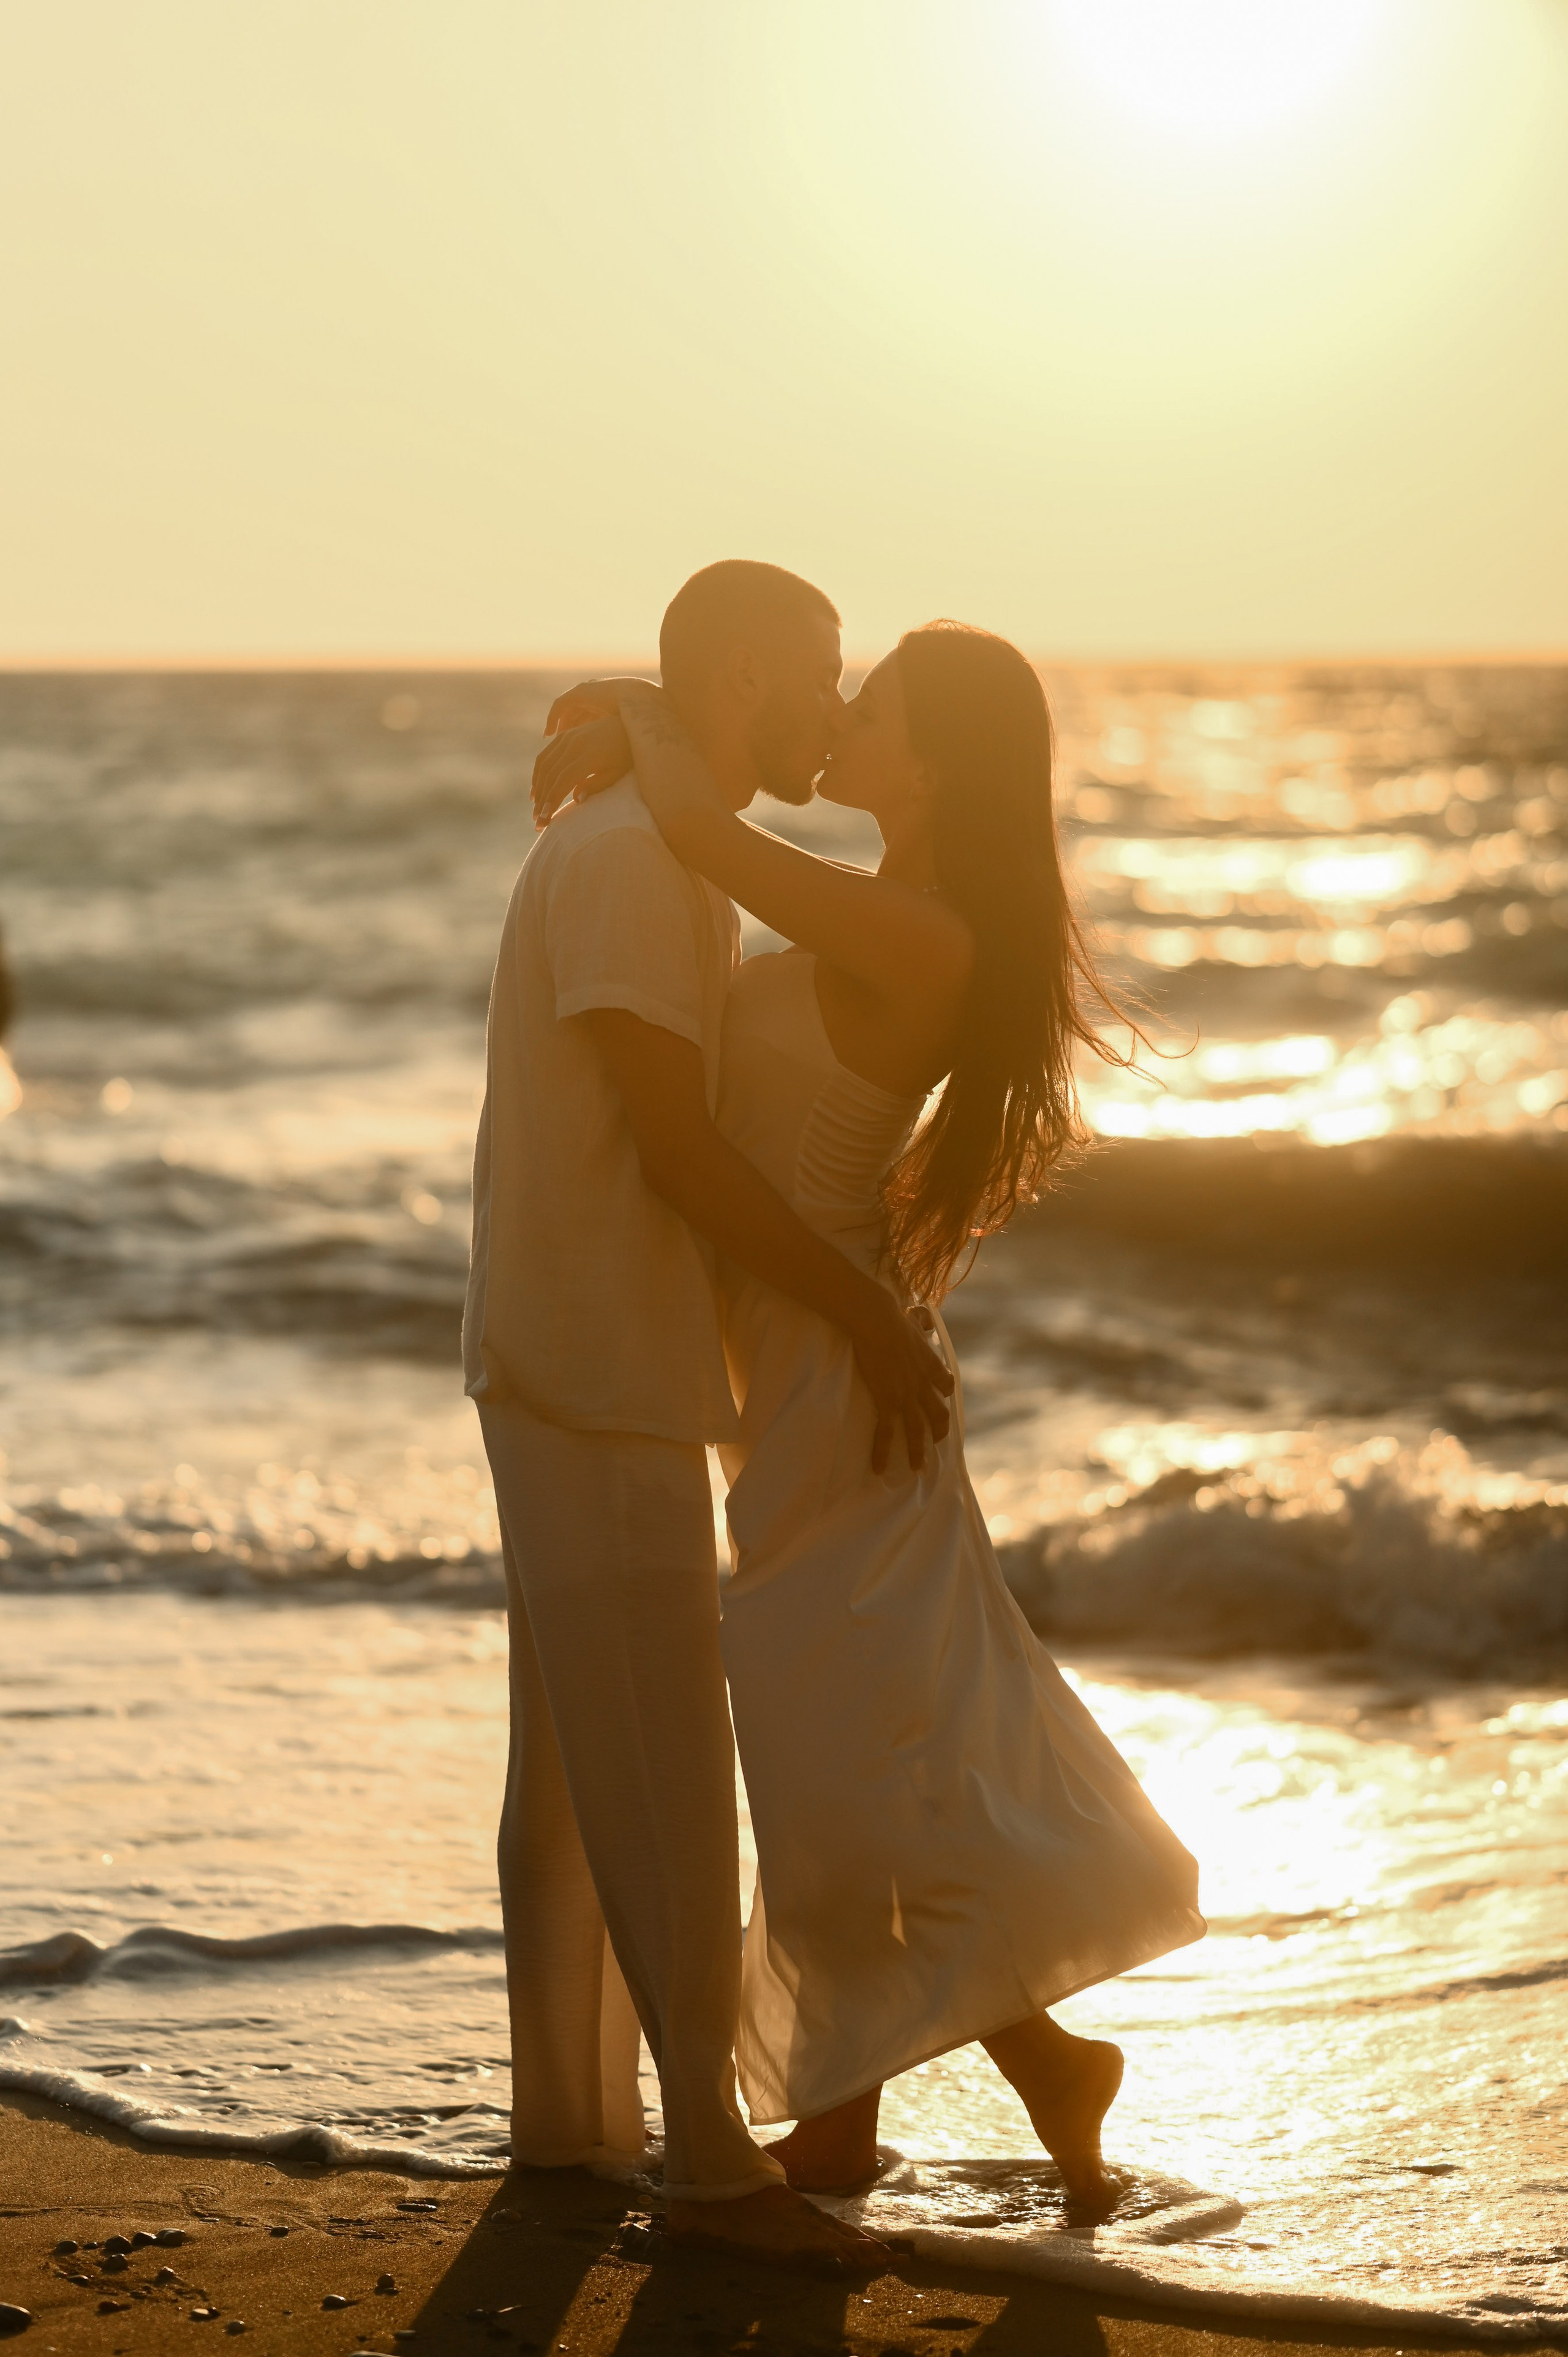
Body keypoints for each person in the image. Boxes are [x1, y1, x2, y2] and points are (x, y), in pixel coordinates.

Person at [534, 621, 1205, 2208]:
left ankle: (886, 2103)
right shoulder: (892, 908)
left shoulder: (925, 934)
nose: (841, 715)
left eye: (875, 704)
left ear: (939, 764)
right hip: (816, 1349)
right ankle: (996, 2077)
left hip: (844, 1370)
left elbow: (700, 829)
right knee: (849, 1744)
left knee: (825, 1751)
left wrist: (634, 709)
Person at [462, 561, 952, 2269]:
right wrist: (859, 1311)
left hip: (579, 1354)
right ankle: (714, 2171)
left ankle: (569, 2127)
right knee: (667, 1771)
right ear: (744, 675)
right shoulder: (628, 861)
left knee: (574, 1773)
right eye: (822, 671)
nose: (837, 706)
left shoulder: (645, 844)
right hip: (599, 1365)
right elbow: (676, 1150)